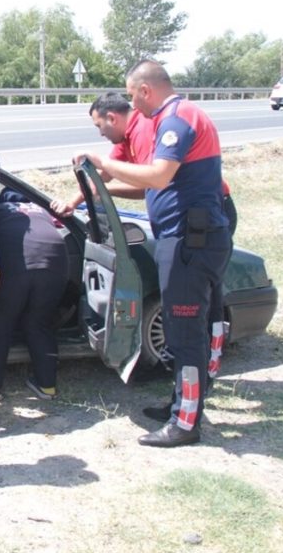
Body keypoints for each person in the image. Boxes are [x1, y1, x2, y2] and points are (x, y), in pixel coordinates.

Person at [75, 60, 232, 448]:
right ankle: (184, 405)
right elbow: (158, 184)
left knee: (184, 332)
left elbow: (158, 176)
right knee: (189, 329)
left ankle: (185, 423)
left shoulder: (176, 118)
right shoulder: (173, 116)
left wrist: (104, 165)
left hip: (189, 240)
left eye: (132, 96)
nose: (132, 104)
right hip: (189, 236)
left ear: (145, 90)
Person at [54, 93, 237, 378]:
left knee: (202, 302)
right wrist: (74, 202)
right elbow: (106, 177)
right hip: (183, 220)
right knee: (189, 301)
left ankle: (204, 365)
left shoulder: (142, 130)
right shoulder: (125, 138)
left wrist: (100, 166)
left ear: (112, 118)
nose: (100, 133)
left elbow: (153, 180)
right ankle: (185, 369)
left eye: (99, 126)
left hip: (203, 219)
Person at [0, 190, 70, 401]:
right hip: (55, 261)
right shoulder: (42, 211)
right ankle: (47, 386)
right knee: (40, 323)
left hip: (15, 264)